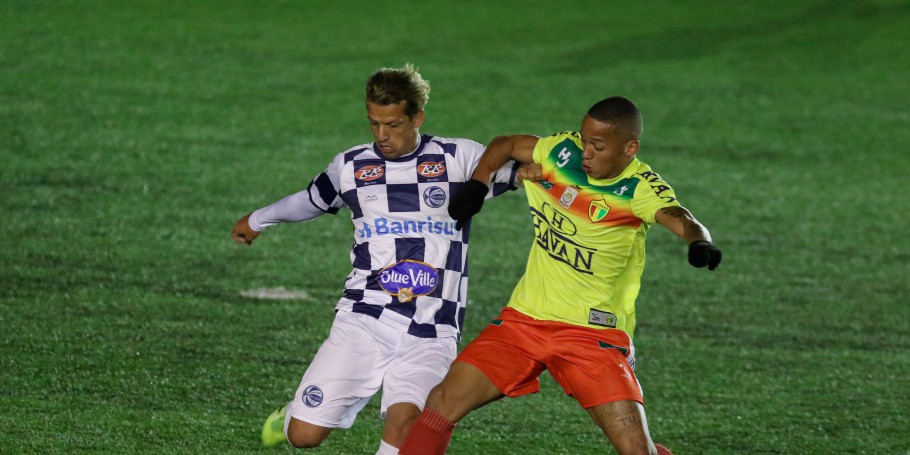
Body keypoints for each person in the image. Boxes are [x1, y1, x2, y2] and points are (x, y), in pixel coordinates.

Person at [399, 96, 722, 455]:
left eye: (597, 147)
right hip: (524, 322)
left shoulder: (639, 188)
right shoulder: (562, 152)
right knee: (442, 401)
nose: (585, 153)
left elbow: (680, 216)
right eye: (585, 141)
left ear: (630, 148)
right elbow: (507, 144)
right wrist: (478, 184)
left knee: (635, 449)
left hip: (591, 335)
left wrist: (698, 242)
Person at [231, 64, 520, 455]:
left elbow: (528, 168)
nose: (382, 135)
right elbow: (311, 200)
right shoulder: (351, 165)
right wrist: (258, 219)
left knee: (406, 426)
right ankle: (291, 417)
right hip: (364, 318)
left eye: (394, 124)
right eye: (374, 124)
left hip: (432, 328)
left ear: (417, 117)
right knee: (304, 437)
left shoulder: (459, 157)